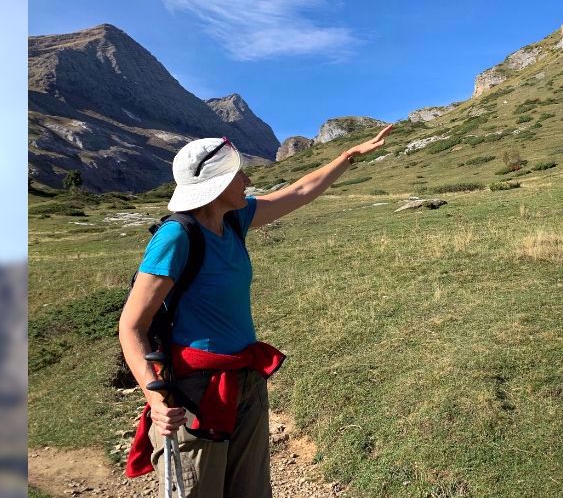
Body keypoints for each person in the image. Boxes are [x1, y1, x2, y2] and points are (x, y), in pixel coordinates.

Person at [119, 125, 394, 498]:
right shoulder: (176, 237)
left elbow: (298, 192)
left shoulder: (233, 219)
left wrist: (348, 157)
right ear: (216, 185)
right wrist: (155, 399)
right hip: (194, 392)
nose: (247, 181)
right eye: (239, 174)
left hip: (246, 379)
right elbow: (132, 325)